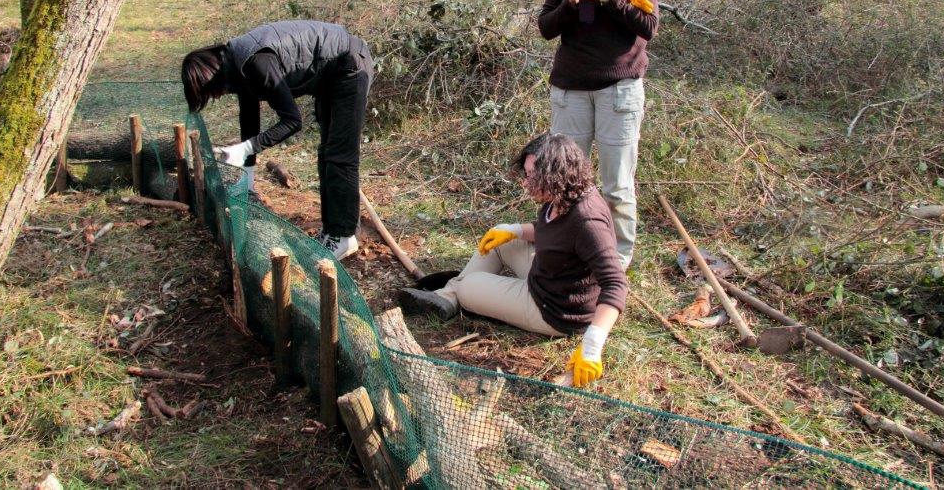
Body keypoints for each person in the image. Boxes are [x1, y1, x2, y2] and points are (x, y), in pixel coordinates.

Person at [398, 133, 628, 388]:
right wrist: (515, 230)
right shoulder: (565, 194)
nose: (526, 183)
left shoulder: (588, 221)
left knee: (468, 286)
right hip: (549, 275)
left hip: (554, 308)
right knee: (500, 237)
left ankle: (455, 294)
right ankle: (446, 298)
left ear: (555, 175)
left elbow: (616, 283)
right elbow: (556, 234)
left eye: (532, 176)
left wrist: (592, 346)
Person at [181, 20, 373, 260]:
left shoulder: (256, 63)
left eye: (211, 93)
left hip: (350, 67)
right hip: (331, 76)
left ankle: (343, 237)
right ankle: (332, 230)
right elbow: (249, 118)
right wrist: (246, 177)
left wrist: (247, 148)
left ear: (210, 77)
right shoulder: (235, 63)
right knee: (327, 153)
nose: (216, 97)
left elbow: (293, 121)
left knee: (339, 155)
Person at [537, 0, 659, 271]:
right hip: (571, 89)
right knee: (562, 181)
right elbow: (545, 28)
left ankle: (615, 263)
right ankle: (563, 251)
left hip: (618, 91)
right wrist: (572, 1)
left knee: (617, 186)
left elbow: (649, 27)